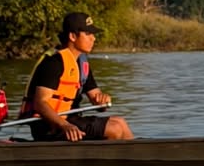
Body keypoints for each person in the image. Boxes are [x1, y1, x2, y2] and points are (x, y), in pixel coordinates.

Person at [20, 12, 134, 141]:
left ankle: (138, 151)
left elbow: (97, 99)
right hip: (48, 127)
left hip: (71, 120)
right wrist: (65, 125)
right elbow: (40, 103)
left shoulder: (82, 63)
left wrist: (103, 101)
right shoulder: (54, 62)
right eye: (88, 34)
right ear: (73, 36)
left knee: (120, 122)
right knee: (115, 129)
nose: (93, 38)